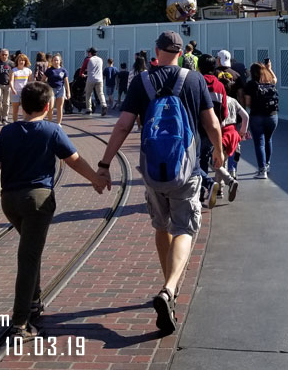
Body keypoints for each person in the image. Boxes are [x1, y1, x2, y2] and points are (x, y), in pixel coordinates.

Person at [95, 31, 223, 335]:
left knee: (161, 226)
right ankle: (169, 289)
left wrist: (104, 163)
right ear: (181, 52)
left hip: (153, 169)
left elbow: (124, 124)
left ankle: (170, 286)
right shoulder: (194, 80)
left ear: (157, 51)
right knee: (185, 228)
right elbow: (212, 123)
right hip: (186, 168)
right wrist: (219, 152)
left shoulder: (142, 81)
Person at [0, 81, 107, 338]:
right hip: (37, 201)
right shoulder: (51, 130)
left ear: (23, 105)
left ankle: (34, 301)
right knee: (28, 258)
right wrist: (95, 178)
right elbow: (73, 160)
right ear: (48, 106)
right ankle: (20, 322)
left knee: (30, 249)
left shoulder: (8, 132)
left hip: (10, 201)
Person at [197, 53, 229, 205]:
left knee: (197, 159)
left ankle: (203, 189)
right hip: (214, 128)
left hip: (198, 127)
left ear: (199, 67)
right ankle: (223, 183)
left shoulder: (197, 82)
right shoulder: (220, 86)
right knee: (214, 157)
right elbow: (224, 110)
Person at [244, 60, 279, 179]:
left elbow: (248, 102)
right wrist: (269, 68)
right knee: (268, 140)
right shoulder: (270, 82)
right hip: (272, 116)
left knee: (259, 143)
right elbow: (275, 79)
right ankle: (267, 165)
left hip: (257, 116)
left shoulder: (250, 84)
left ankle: (261, 170)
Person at [44, 53, 70, 126]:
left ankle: (59, 123)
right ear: (52, 61)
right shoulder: (49, 70)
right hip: (51, 90)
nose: (56, 62)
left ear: (60, 61)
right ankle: (49, 123)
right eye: (54, 60)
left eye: (57, 60)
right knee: (50, 107)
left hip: (60, 89)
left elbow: (66, 82)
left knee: (60, 107)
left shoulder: (63, 70)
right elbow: (43, 80)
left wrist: (68, 92)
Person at [10, 53, 33, 123]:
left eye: (23, 60)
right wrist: (13, 89)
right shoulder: (13, 70)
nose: (21, 62)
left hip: (25, 92)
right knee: (15, 110)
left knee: (25, 109)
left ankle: (25, 122)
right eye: (20, 60)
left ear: (25, 61)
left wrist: (30, 90)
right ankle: (15, 123)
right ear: (17, 61)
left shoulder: (28, 71)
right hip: (15, 92)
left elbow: (30, 82)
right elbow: (11, 81)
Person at [83, 47, 106, 116]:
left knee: (88, 94)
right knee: (100, 93)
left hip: (91, 79)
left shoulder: (88, 59)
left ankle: (89, 109)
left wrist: (81, 73)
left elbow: (83, 67)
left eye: (88, 52)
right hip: (100, 79)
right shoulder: (100, 59)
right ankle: (104, 105)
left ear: (90, 53)